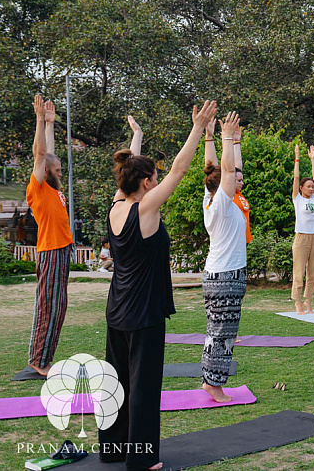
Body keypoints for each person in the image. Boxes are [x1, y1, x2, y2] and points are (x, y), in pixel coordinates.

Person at [101, 101, 217, 471]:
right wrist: (197, 128)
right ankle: (141, 459)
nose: (158, 179)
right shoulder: (146, 209)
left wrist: (136, 137)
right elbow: (181, 169)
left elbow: (129, 174)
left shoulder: (117, 206)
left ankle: (113, 449)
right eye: (154, 176)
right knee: (143, 387)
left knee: (117, 382)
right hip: (144, 312)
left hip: (117, 309)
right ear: (148, 183)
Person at [26, 95, 74, 376]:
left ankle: (45, 357)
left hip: (62, 249)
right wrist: (39, 120)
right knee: (49, 306)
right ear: (45, 172)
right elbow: (41, 154)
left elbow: (50, 154)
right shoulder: (38, 188)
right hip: (51, 250)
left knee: (58, 307)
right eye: (54, 171)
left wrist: (51, 125)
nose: (58, 173)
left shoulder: (53, 189)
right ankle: (38, 360)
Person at [201, 112, 247, 402]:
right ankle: (213, 385)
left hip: (222, 275)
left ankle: (209, 379)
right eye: (233, 180)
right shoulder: (220, 202)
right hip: (226, 277)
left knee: (216, 331)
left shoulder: (210, 198)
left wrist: (228, 140)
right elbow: (227, 172)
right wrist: (226, 136)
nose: (239, 180)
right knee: (222, 334)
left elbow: (219, 168)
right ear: (222, 188)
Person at [206, 121, 253, 243]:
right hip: (225, 260)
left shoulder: (235, 194)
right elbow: (226, 169)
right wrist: (226, 140)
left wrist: (235, 141)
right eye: (237, 180)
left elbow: (236, 168)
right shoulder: (221, 200)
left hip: (240, 247)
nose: (241, 182)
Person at [291, 144, 314, 315]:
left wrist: (312, 160)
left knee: (313, 273)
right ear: (301, 188)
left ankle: (308, 300)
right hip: (301, 238)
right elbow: (296, 177)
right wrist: (297, 157)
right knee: (299, 272)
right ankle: (298, 303)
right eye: (307, 186)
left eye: (312, 187)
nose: (311, 188)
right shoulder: (298, 200)